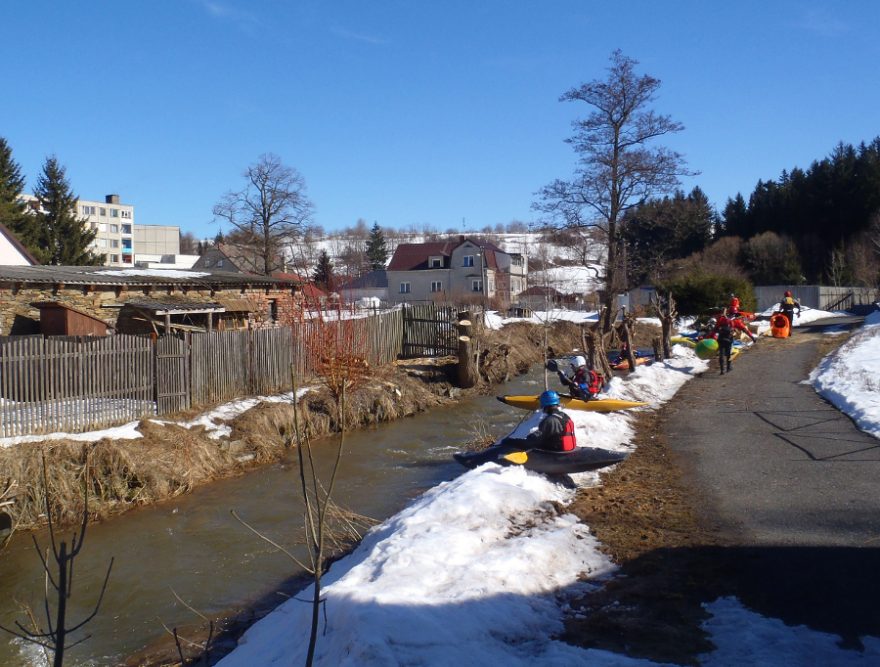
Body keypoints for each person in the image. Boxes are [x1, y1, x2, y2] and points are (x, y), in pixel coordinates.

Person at [505, 390, 577, 452]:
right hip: (568, 449)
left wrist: (512, 442)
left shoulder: (550, 420)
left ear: (544, 405)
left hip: (556, 452)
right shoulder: (565, 416)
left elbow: (532, 442)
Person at [713, 310, 755, 375]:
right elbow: (745, 330)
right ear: (735, 314)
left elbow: (714, 330)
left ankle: (722, 370)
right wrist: (752, 338)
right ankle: (728, 367)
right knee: (729, 354)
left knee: (721, 353)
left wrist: (711, 337)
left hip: (721, 339)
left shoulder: (721, 319)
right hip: (729, 340)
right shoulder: (736, 321)